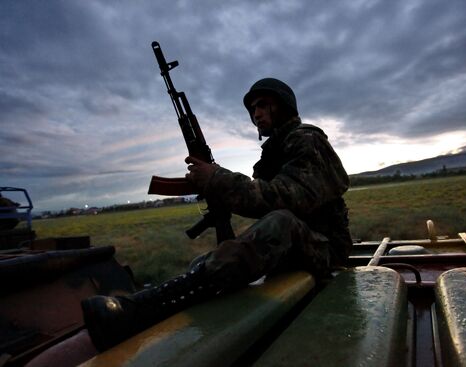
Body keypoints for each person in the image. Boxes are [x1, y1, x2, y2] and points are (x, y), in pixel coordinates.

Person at [81, 78, 352, 351]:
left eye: (263, 106)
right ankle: (164, 312)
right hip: (295, 249)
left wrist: (218, 178)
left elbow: (286, 199)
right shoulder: (274, 152)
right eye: (253, 109)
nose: (256, 114)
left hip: (327, 250)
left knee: (281, 222)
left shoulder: (308, 140)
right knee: (206, 262)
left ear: (283, 107)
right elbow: (259, 197)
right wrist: (217, 187)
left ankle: (139, 308)